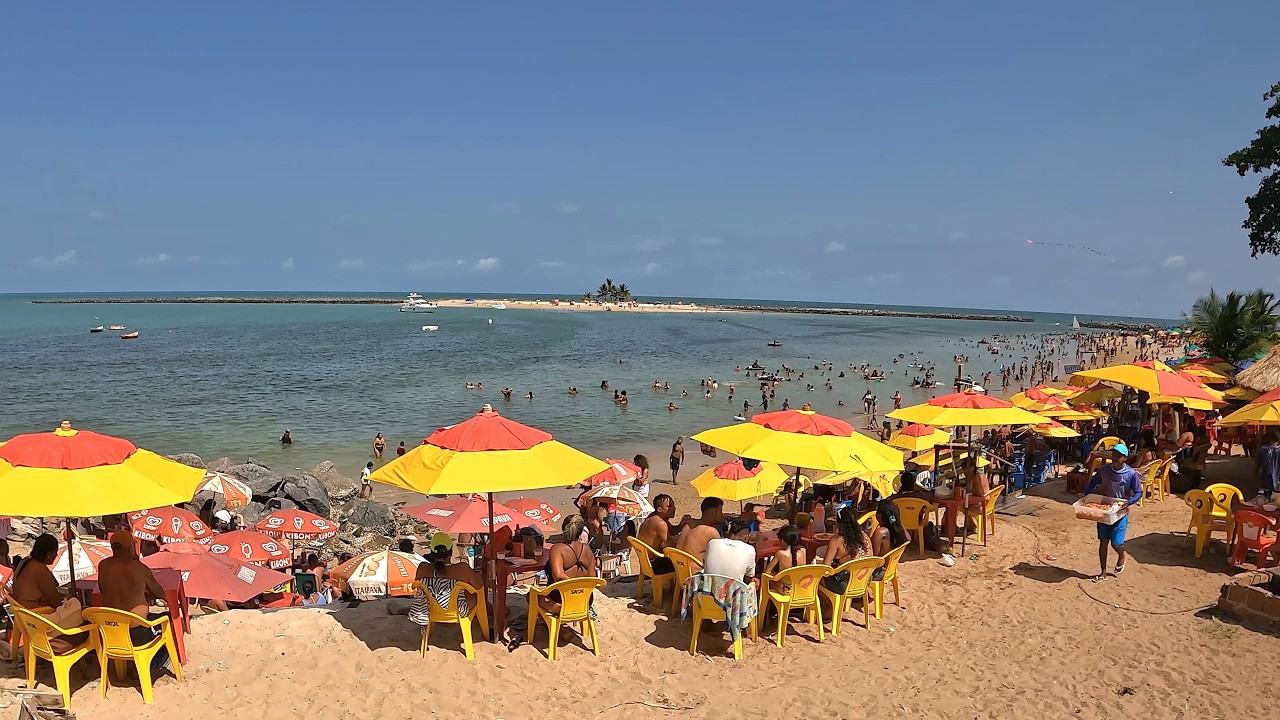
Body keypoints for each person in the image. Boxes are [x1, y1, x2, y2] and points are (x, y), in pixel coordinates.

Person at [98, 531, 171, 674]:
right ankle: (151, 665)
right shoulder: (138, 568)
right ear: (131, 548)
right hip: (138, 633)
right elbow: (160, 593)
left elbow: (104, 590)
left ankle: (124, 667)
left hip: (112, 632)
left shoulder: (103, 566)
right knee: (169, 619)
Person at [1082, 443, 1142, 582]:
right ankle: (1103, 572)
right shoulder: (1104, 470)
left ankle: (1121, 555)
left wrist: (1130, 501)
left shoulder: (1131, 474)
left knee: (1116, 543)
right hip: (1104, 509)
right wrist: (1087, 495)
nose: (1114, 458)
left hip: (1120, 512)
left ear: (1125, 458)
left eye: (1118, 456)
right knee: (1103, 542)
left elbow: (1139, 492)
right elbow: (1093, 482)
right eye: (1113, 455)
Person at [540, 515, 596, 612]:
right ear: (581, 531)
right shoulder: (587, 549)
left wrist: (573, 586)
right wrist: (578, 587)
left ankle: (549, 623)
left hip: (561, 600)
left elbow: (558, 576)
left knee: (532, 596)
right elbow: (593, 577)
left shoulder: (557, 549)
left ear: (563, 529)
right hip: (585, 601)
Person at [820, 507, 874, 595]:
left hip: (846, 584)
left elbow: (826, 568)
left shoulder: (837, 541)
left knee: (819, 579)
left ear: (838, 523)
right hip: (865, 580)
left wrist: (836, 564)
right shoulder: (864, 536)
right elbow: (871, 557)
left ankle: (826, 604)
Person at [10, 533, 63, 609]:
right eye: (55, 552)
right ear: (48, 554)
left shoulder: (25, 561)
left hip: (20, 610)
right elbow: (55, 601)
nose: (56, 555)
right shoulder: (40, 569)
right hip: (33, 614)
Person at [415, 533, 483, 589]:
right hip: (456, 605)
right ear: (451, 552)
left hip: (428, 605)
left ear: (432, 552)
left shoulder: (423, 568)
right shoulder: (462, 569)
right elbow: (479, 586)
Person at [675, 496, 726, 563]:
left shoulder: (688, 525)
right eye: (720, 512)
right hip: (695, 572)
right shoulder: (711, 531)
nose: (722, 515)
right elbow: (722, 555)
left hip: (679, 568)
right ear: (713, 513)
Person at [637, 494, 678, 574]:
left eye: (673, 505)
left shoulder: (653, 517)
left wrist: (682, 525)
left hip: (646, 562)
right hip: (655, 565)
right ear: (659, 509)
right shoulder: (660, 523)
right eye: (669, 506)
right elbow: (672, 547)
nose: (673, 508)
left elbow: (672, 530)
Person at [1259, 430, 1280, 501]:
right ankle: (1269, 498)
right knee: (1271, 487)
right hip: (1270, 472)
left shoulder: (1263, 449)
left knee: (1268, 486)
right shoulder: (1266, 450)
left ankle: (1267, 498)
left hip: (1267, 471)